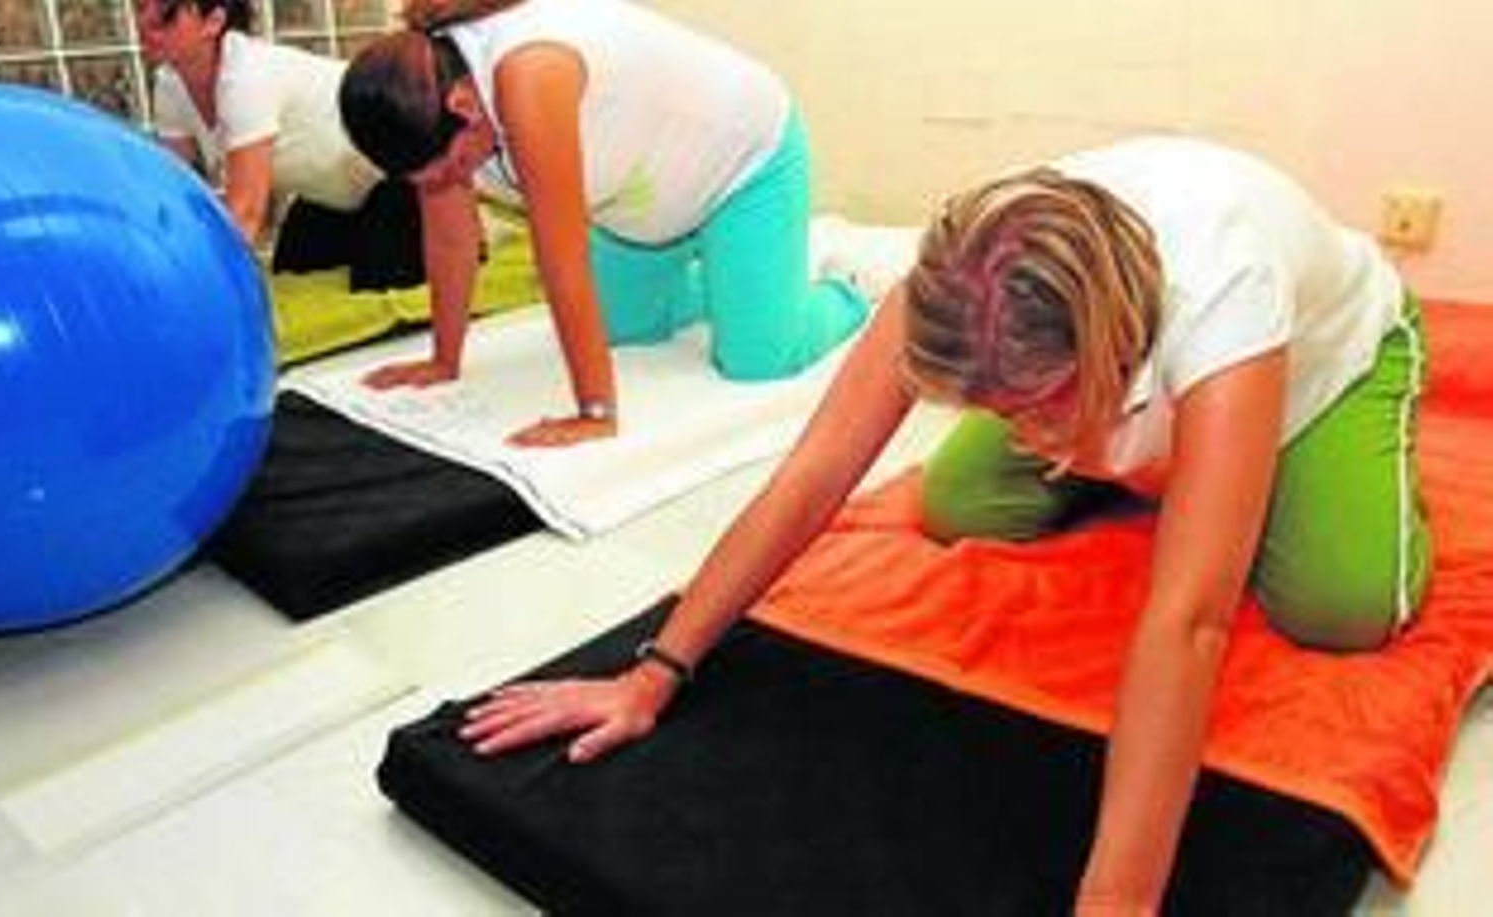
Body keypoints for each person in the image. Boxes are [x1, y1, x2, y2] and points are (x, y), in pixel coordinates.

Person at [456, 135, 1433, 912]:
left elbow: (1189, 620)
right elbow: (815, 471)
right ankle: (1150, 458)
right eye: (1000, 409)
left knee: (1339, 603)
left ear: (1106, 349)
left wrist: (1115, 899)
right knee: (959, 504)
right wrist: (653, 671)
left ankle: (1265, 446)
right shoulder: (966, 273)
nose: (1026, 433)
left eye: (1039, 406)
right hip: (1119, 371)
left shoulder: (1227, 297)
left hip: (1322, 370)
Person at [337, 0, 868, 448]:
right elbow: (452, 240)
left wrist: (595, 413)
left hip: (742, 165)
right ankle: (738, 282)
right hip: (639, 206)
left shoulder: (528, 73)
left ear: (463, 106)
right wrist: (442, 361)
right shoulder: (426, 97)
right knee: (624, 329)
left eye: (452, 168)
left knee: (759, 359)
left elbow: (561, 261)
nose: (452, 180)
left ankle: (846, 290)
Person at [136, 0, 423, 291]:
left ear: (214, 21)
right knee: (292, 273)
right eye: (140, 7)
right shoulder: (170, 84)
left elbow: (246, 214)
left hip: (406, 183)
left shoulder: (246, 75)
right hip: (337, 199)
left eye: (167, 15)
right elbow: (173, 195)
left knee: (379, 282)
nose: (144, 25)